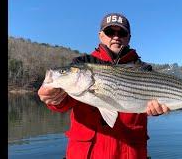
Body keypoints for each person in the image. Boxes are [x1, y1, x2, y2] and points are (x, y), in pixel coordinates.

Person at [38, 13, 170, 159]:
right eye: (109, 32)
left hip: (130, 153)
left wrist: (157, 110)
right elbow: (63, 103)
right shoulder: (82, 62)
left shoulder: (143, 69)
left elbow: (155, 104)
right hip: (86, 154)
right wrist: (53, 98)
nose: (116, 36)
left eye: (122, 32)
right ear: (101, 35)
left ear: (129, 37)